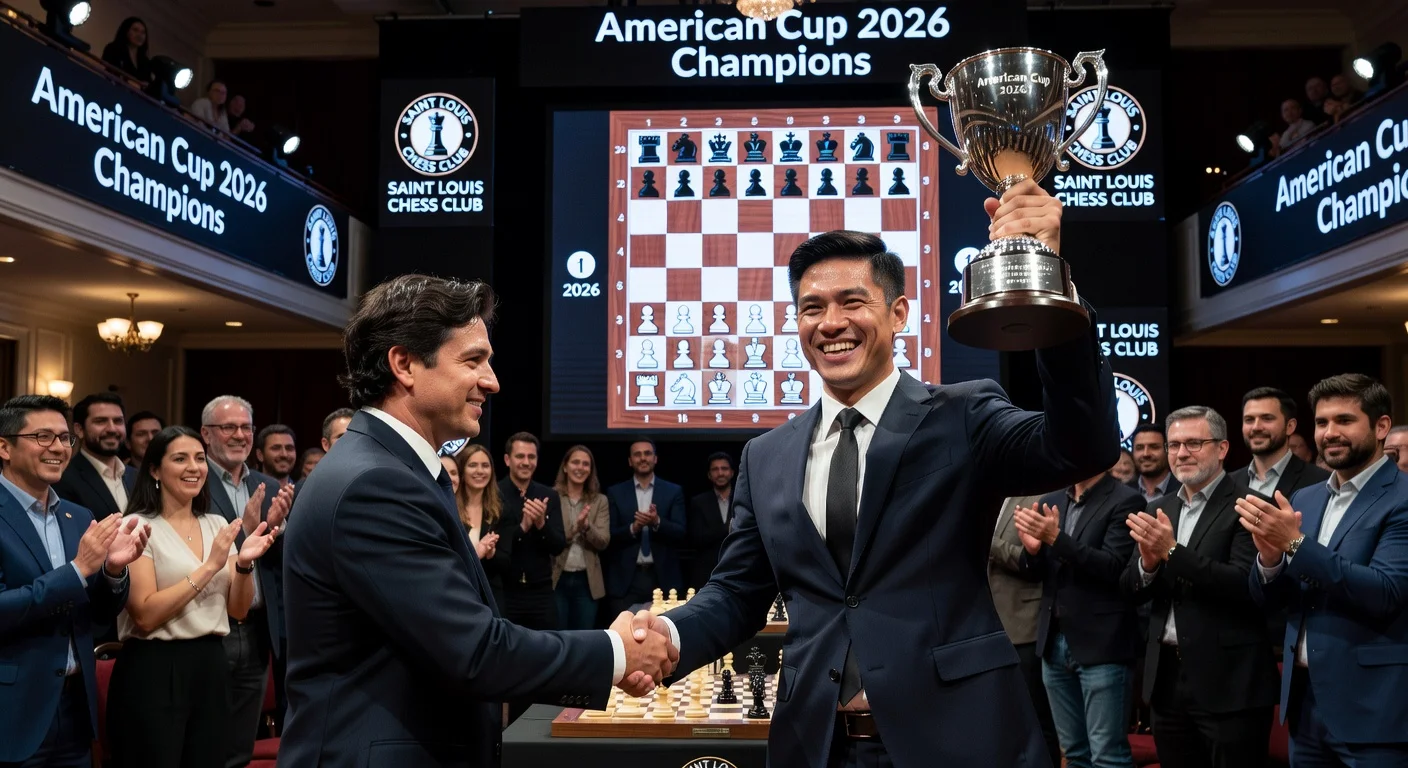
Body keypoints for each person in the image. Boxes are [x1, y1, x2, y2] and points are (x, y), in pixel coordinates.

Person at [638, 181, 1118, 767]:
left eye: (852, 302)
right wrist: (671, 635)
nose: (831, 322)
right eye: (812, 308)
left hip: (958, 740)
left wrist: (1050, 286)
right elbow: (738, 593)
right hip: (815, 744)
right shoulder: (766, 456)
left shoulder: (963, 414)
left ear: (898, 315)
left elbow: (1081, 448)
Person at [280, 275, 677, 768]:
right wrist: (615, 652)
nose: (492, 380)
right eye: (472, 360)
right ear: (403, 364)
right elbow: (474, 653)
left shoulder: (392, 470)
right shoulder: (374, 484)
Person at [1241, 374, 1408, 765]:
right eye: (1321, 422)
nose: (1330, 433)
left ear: (1381, 426)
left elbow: (1385, 592)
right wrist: (1269, 560)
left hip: (1373, 708)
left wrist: (1294, 545)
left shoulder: (1401, 499)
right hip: (1304, 703)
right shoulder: (1306, 496)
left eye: (1344, 421)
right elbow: (1272, 599)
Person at [107, 426, 278, 768]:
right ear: (154, 470)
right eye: (180, 458)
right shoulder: (137, 526)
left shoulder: (217, 524)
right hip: (153, 666)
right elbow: (144, 614)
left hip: (212, 663)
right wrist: (211, 566)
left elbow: (238, 610)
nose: (194, 467)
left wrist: (243, 565)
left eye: (200, 458)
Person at [1121, 406, 1278, 768]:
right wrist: (1147, 564)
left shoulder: (1251, 506)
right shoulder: (1159, 508)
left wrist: (1170, 552)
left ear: (1222, 449)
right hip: (1166, 679)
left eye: (1194, 443)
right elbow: (1129, 588)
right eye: (1174, 445)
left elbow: (1243, 584)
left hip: (1230, 682)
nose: (1181, 453)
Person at [0, 395, 149, 768]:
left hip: (74, 707)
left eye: (65, 438)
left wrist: (113, 571)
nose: (58, 448)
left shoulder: (76, 515)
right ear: (4, 446)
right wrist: (78, 570)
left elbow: (96, 611)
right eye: (42, 437)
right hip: (12, 709)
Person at [989, 495, 1062, 768]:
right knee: (1002, 724)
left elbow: (1038, 562)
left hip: (1026, 625)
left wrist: (988, 544)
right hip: (990, 625)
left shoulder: (1041, 496)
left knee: (1036, 722)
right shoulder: (987, 498)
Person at [604, 438, 688, 618]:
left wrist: (657, 521)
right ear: (630, 461)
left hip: (663, 578)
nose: (643, 458)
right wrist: (634, 527)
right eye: (637, 454)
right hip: (626, 580)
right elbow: (609, 536)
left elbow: (681, 532)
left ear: (655, 459)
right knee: (623, 638)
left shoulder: (673, 491)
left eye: (648, 453)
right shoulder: (615, 492)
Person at [552, 445, 611, 630]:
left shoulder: (599, 500)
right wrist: (575, 529)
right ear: (565, 467)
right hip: (556, 578)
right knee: (558, 636)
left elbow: (603, 541)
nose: (580, 467)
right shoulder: (552, 496)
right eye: (575, 462)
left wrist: (586, 527)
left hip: (587, 582)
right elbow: (552, 538)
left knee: (584, 638)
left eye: (586, 464)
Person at [54, 392, 137, 521]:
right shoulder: (64, 478)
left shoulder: (136, 477)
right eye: (101, 421)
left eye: (118, 421)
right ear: (79, 429)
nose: (112, 429)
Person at [1237, 387, 1329, 498]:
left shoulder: (1321, 481)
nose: (1256, 427)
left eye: (1267, 418)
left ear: (1290, 426)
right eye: (1249, 419)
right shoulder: (1228, 483)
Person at [453, 444, 509, 610]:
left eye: (485, 465)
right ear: (462, 471)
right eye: (472, 465)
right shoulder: (449, 508)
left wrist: (491, 554)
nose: (480, 471)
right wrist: (476, 553)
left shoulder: (502, 510)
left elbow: (507, 562)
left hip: (491, 595)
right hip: (457, 592)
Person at [686, 451, 735, 588]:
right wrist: (728, 528)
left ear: (732, 472)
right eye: (715, 469)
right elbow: (696, 537)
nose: (720, 473)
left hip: (738, 567)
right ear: (709, 475)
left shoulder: (743, 500)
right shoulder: (699, 502)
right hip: (707, 572)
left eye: (724, 469)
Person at [100, 17, 152, 82]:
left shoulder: (145, 61)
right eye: (135, 30)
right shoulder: (113, 48)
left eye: (143, 32)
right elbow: (107, 70)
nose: (140, 35)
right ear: (126, 31)